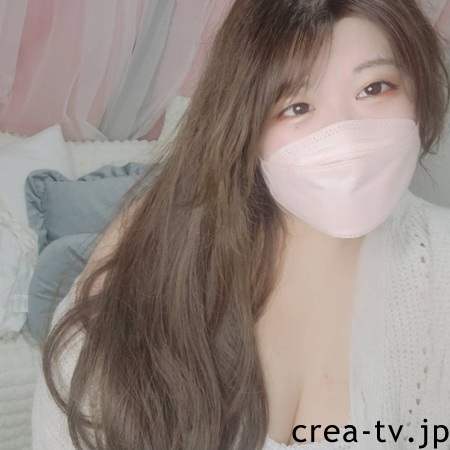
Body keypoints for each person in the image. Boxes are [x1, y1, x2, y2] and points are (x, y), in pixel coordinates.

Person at [32, 0, 450, 449]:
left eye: (374, 88)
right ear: (246, 127)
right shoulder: (157, 248)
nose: (342, 135)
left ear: (419, 91)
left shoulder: (439, 257)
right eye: (297, 107)